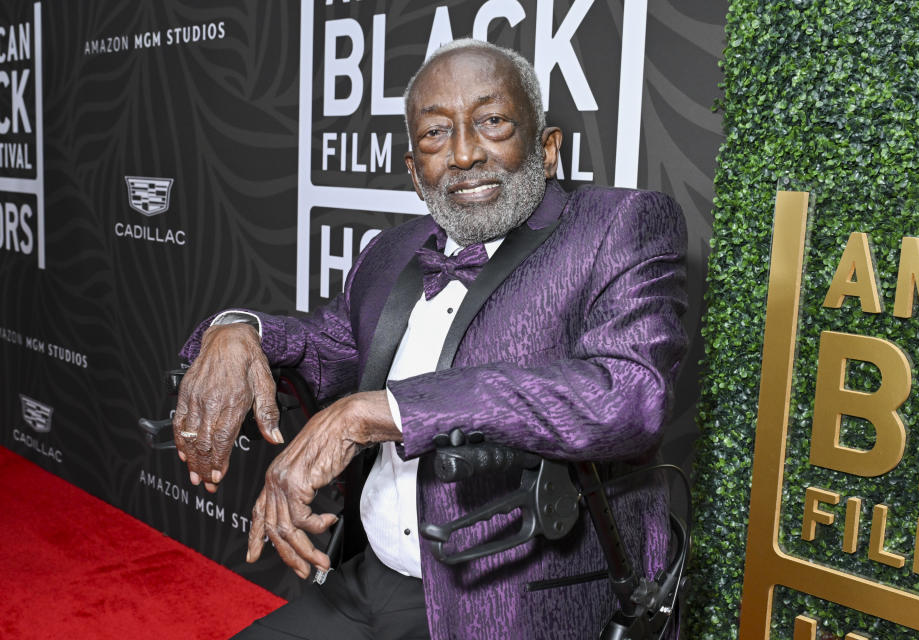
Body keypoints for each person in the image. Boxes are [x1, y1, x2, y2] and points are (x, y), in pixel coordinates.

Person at [173, 38, 688, 639]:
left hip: (515, 602)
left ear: (547, 150)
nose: (465, 154)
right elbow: (322, 346)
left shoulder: (620, 226)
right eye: (435, 135)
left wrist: (385, 411)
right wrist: (238, 332)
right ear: (416, 174)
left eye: (492, 122)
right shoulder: (389, 253)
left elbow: (627, 397)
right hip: (370, 581)